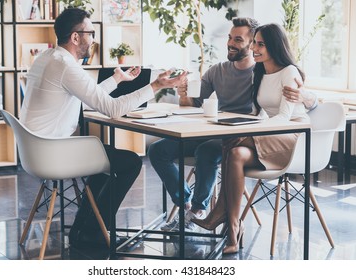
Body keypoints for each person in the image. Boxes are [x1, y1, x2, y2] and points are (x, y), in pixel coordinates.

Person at [19, 8, 187, 248]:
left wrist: (117, 79)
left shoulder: (48, 58)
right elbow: (112, 109)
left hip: (36, 151)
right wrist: (156, 85)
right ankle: (93, 231)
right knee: (129, 162)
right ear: (76, 37)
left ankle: (87, 230)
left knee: (103, 161)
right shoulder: (67, 66)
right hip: (52, 153)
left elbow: (87, 96)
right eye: (91, 33)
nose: (94, 39)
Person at [148, 17, 316, 232]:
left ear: (251, 44)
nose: (230, 43)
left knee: (207, 151)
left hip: (243, 136)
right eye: (230, 38)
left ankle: (198, 210)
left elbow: (304, 99)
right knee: (158, 150)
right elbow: (193, 104)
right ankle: (186, 204)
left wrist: (306, 95)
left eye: (239, 39)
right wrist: (183, 94)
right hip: (211, 129)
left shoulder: (262, 71)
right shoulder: (217, 70)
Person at [193, 23, 309, 254]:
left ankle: (220, 215)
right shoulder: (261, 72)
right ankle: (233, 229)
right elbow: (263, 113)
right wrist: (254, 126)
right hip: (270, 135)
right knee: (235, 152)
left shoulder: (289, 72)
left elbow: (285, 116)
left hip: (292, 135)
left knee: (231, 140)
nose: (254, 48)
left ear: (274, 46)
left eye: (260, 44)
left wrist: (253, 130)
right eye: (254, 42)